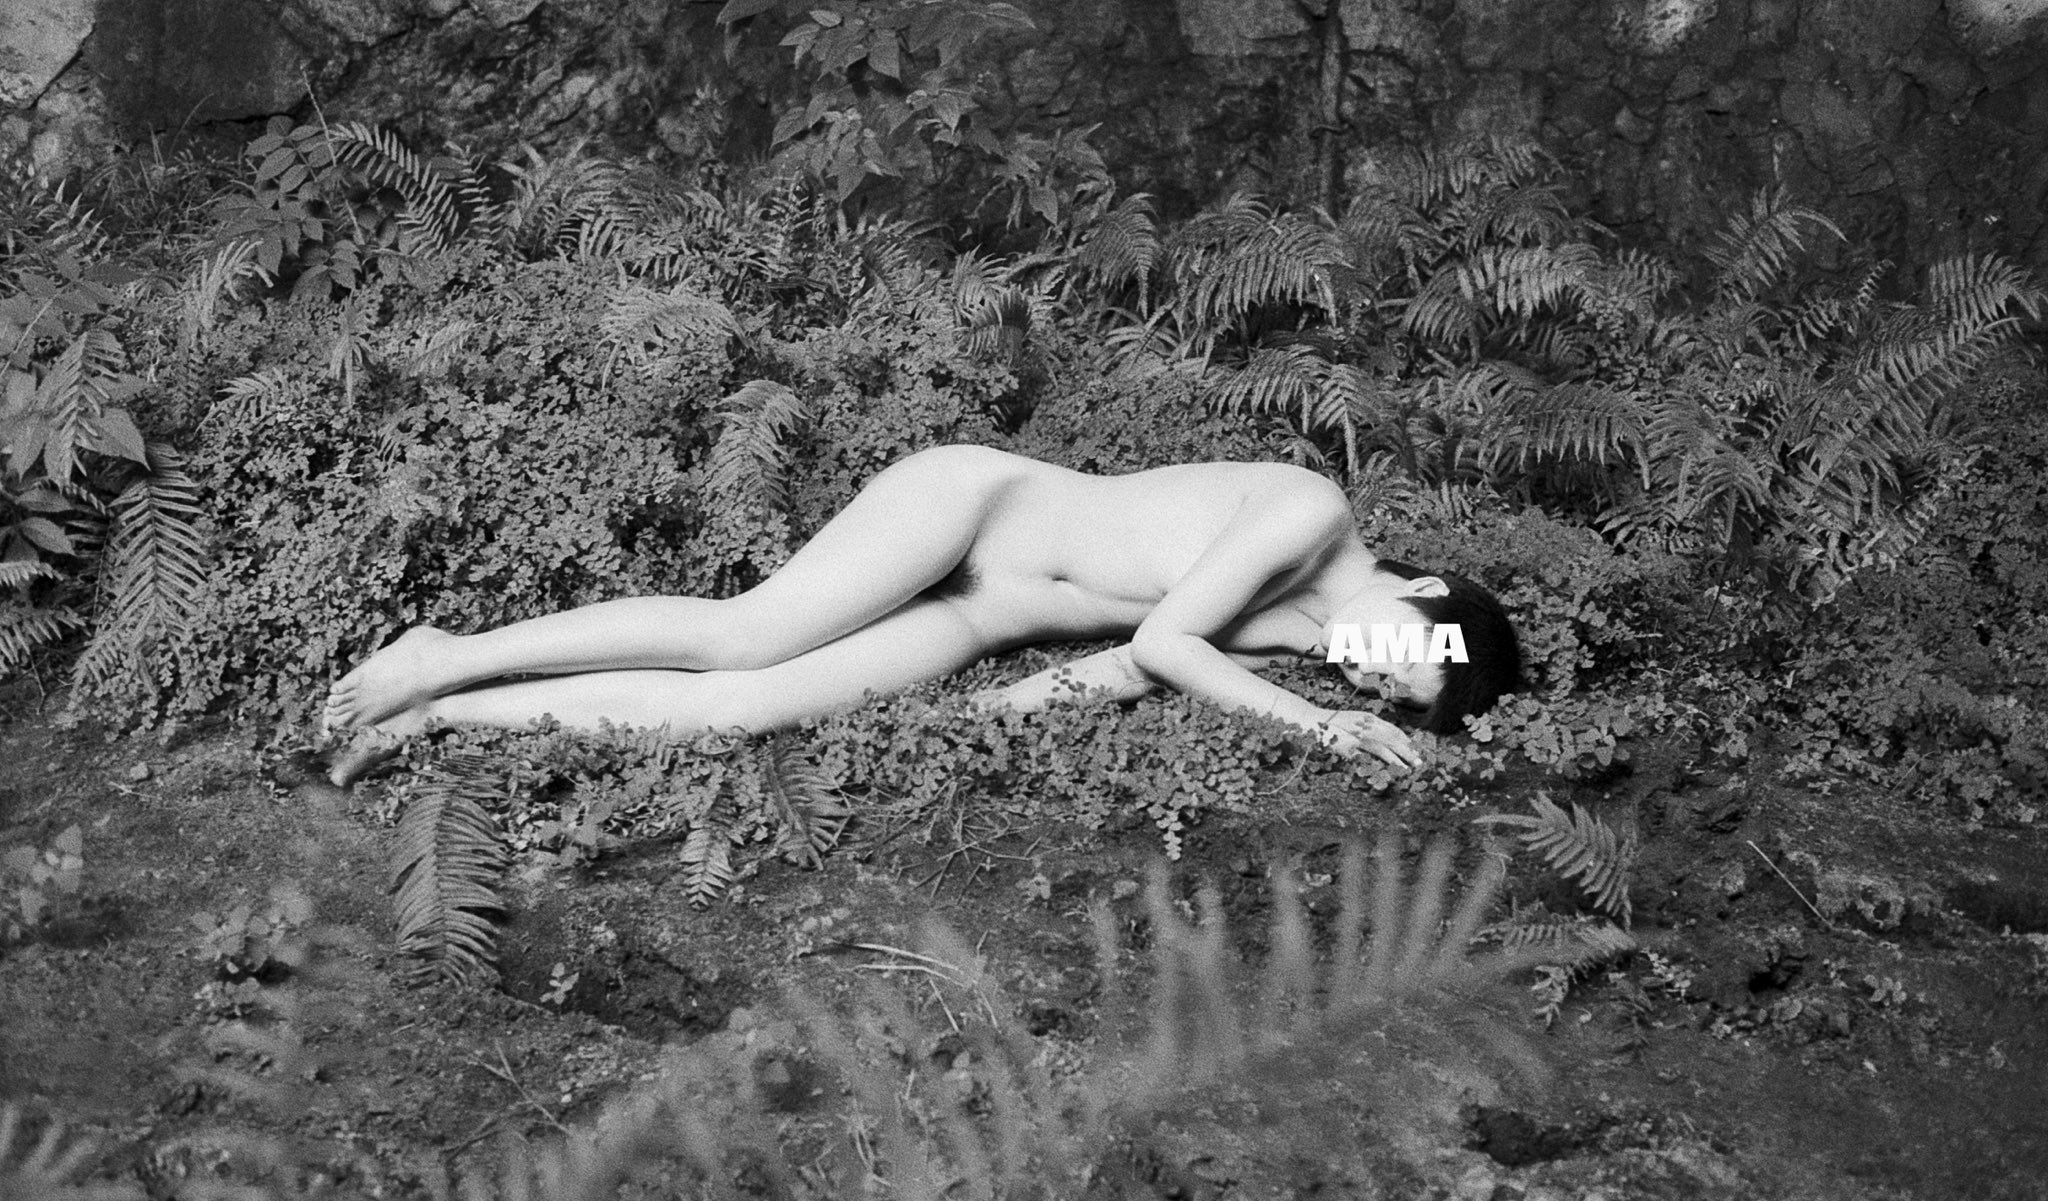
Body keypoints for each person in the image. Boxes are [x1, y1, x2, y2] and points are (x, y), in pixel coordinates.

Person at [322, 445, 1521, 784]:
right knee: (745, 633)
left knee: (738, 713)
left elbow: (1133, 667)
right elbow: (1167, 639)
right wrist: (1318, 728)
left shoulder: (1297, 636)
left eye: (1387, 694)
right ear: (1423, 594)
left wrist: (996, 718)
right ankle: (448, 652)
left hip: (984, 619)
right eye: (1402, 658)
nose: (1370, 679)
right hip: (971, 513)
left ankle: (445, 715)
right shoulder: (1312, 510)